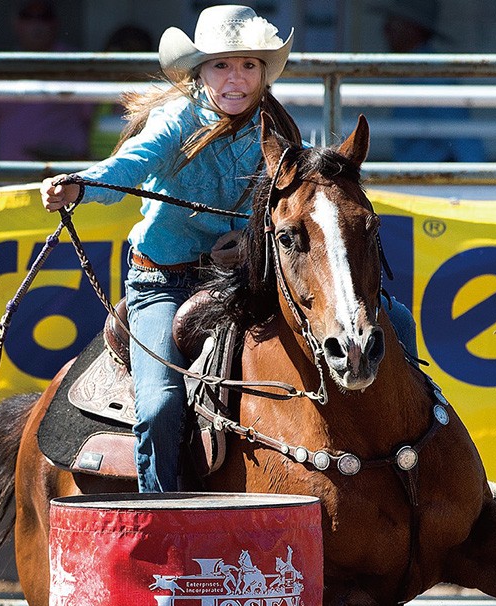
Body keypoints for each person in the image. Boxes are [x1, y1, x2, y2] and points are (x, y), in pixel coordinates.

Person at [41, 5, 419, 494]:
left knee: (400, 323)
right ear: (200, 71)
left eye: (248, 66)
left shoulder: (279, 132)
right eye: (221, 65)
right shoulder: (175, 122)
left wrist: (249, 243)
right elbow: (127, 169)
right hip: (164, 281)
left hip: (246, 278)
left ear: (263, 74)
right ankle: (162, 514)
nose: (234, 78)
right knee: (159, 406)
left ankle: (413, 466)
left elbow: (286, 215)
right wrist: (79, 186)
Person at [376, 0, 487, 162]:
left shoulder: (430, 74)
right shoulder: (414, 69)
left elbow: (461, 134)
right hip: (415, 178)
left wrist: (479, 179)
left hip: (428, 179)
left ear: (413, 28)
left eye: (394, 21)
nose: (386, 30)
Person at [0, 1, 93, 160]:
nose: (37, 24)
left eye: (44, 17)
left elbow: (91, 121)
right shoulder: (3, 64)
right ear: (16, 23)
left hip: (64, 172)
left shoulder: (75, 63)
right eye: (28, 17)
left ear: (55, 23)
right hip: (11, 173)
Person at [89, 25, 155, 160]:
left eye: (132, 53)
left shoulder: (154, 98)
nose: (123, 67)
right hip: (96, 174)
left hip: (136, 175)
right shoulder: (96, 96)